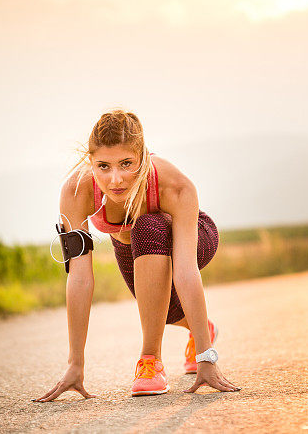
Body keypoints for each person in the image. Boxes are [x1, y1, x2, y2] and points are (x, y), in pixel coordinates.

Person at [33, 109, 240, 400]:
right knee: (158, 311)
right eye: (103, 166)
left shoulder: (175, 186)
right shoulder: (76, 191)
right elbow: (79, 278)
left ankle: (150, 362)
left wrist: (208, 357)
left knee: (148, 225)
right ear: (90, 161)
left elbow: (185, 271)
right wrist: (75, 364)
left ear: (143, 157)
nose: (115, 179)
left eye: (126, 163)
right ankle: (201, 326)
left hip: (192, 237)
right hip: (132, 247)